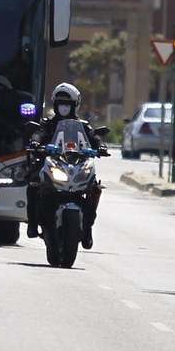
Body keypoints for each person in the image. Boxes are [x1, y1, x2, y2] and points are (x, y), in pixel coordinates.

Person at [26, 82, 106, 240]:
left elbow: (94, 137)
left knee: (94, 187)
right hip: (52, 163)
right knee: (33, 183)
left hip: (78, 164)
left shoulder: (83, 125)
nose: (63, 107)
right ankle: (33, 224)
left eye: (67, 103)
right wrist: (35, 141)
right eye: (60, 103)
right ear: (55, 104)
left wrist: (101, 145)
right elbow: (39, 133)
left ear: (75, 105)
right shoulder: (48, 123)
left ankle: (88, 227)